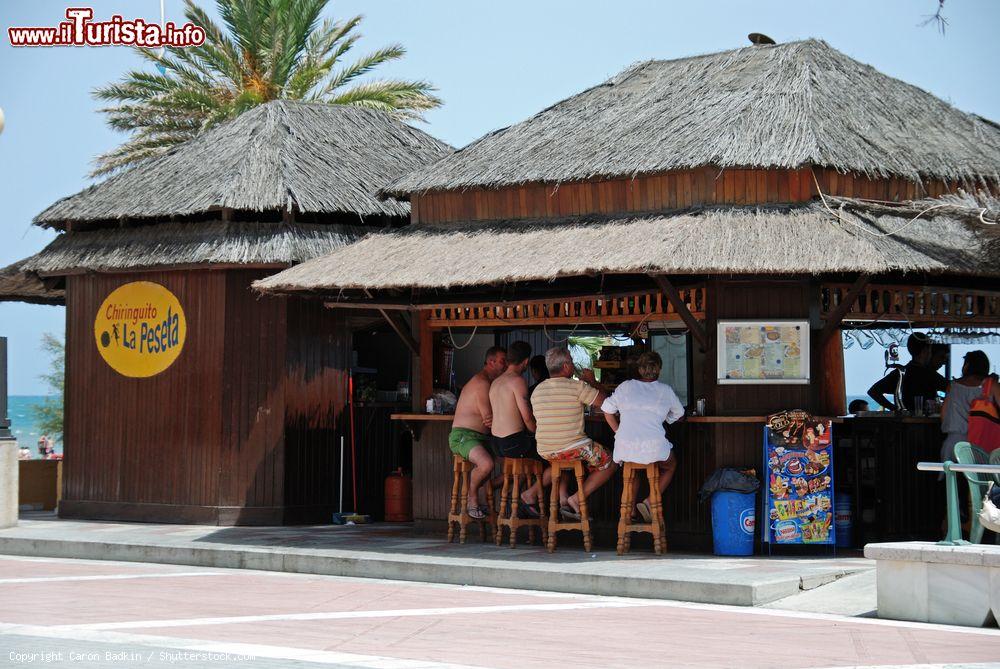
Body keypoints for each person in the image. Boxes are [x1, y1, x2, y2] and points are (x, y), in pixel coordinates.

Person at [531, 346, 617, 520]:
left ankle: (564, 501)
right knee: (612, 461)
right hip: (571, 448)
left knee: (568, 462)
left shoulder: (538, 390)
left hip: (546, 450)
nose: (572, 364)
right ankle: (576, 498)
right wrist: (592, 381)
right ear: (565, 367)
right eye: (571, 361)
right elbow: (608, 404)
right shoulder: (577, 387)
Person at [601, 351, 683, 523]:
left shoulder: (626, 386)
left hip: (625, 448)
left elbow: (606, 410)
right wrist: (665, 418)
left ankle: (629, 511)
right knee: (670, 465)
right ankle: (650, 500)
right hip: (654, 448)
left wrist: (618, 432)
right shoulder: (665, 390)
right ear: (659, 370)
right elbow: (679, 413)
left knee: (632, 469)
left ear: (639, 369)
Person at [489, 341, 550, 517]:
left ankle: (508, 490)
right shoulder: (517, 381)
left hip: (497, 444)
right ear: (525, 362)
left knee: (530, 462)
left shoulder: (496, 382)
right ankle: (528, 495)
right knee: (556, 459)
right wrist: (540, 432)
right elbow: (527, 418)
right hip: (513, 443)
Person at [449, 346, 508, 519]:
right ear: (491, 362)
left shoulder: (492, 383)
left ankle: (484, 490)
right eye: (503, 361)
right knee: (486, 464)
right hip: (463, 436)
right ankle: (472, 497)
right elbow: (488, 418)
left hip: (483, 438)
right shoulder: (481, 382)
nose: (506, 366)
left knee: (512, 466)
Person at [941, 350, 1000, 462]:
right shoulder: (991, 386)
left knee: (952, 479)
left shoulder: (952, 386)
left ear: (966, 366)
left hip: (953, 445)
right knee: (984, 479)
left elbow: (944, 416)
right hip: (982, 446)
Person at [867, 334, 947, 412]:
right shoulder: (929, 374)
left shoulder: (900, 373)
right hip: (924, 422)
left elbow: (873, 391)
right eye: (930, 350)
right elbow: (952, 389)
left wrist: (894, 409)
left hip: (903, 421)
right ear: (925, 350)